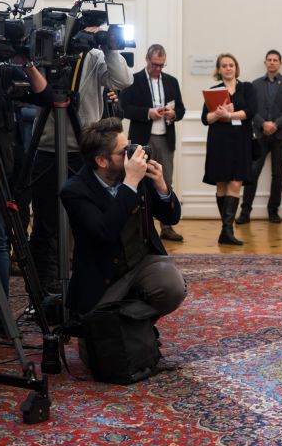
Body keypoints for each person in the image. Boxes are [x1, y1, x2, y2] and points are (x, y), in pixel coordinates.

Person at [59, 117, 187, 349]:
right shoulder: (75, 190)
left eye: (130, 145)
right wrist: (129, 184)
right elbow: (105, 232)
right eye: (123, 151)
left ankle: (138, 323)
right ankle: (127, 325)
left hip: (141, 261)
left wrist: (162, 186)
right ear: (101, 160)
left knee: (173, 287)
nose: (133, 154)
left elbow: (171, 218)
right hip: (103, 275)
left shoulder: (133, 174)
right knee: (99, 342)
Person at [27, 27, 132, 282]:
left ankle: (86, 286)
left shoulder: (95, 56)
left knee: (87, 224)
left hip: (85, 150)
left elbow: (123, 80)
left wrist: (108, 46)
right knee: (46, 226)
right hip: (47, 147)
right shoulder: (44, 54)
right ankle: (46, 290)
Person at [119, 44, 186, 242]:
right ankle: (138, 225)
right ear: (147, 60)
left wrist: (173, 114)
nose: (158, 68)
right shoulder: (134, 80)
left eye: (161, 65)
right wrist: (148, 113)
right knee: (138, 180)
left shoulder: (172, 81)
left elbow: (181, 109)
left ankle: (167, 226)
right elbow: (124, 108)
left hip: (165, 138)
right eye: (155, 64)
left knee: (165, 180)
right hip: (142, 138)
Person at [201, 53, 255, 246]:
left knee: (235, 183)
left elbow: (250, 111)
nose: (228, 68)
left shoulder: (247, 88)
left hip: (241, 141)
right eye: (224, 65)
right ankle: (225, 231)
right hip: (219, 142)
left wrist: (229, 114)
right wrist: (218, 114)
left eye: (231, 65)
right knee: (222, 184)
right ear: (219, 69)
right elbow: (205, 119)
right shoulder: (213, 91)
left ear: (236, 67)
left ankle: (227, 230)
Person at [239, 50, 282, 225]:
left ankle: (273, 211)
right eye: (269, 60)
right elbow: (250, 108)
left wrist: (275, 124)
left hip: (281, 135)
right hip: (259, 135)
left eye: (275, 60)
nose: (272, 63)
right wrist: (263, 124)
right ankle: (245, 212)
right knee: (252, 173)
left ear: (280, 63)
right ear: (265, 63)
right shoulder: (255, 84)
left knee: (277, 175)